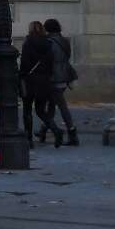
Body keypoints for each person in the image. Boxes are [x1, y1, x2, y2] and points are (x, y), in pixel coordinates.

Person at [19, 20, 59, 146]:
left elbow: (24, 63)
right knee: (41, 110)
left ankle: (29, 139)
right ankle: (56, 130)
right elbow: (51, 63)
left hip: (30, 80)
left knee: (27, 111)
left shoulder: (28, 43)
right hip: (44, 81)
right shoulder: (48, 43)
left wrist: (21, 76)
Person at [44, 17, 79, 147]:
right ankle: (44, 129)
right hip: (65, 75)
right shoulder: (64, 41)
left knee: (61, 106)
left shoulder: (49, 42)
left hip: (54, 77)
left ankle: (72, 132)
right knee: (52, 104)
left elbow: (49, 60)